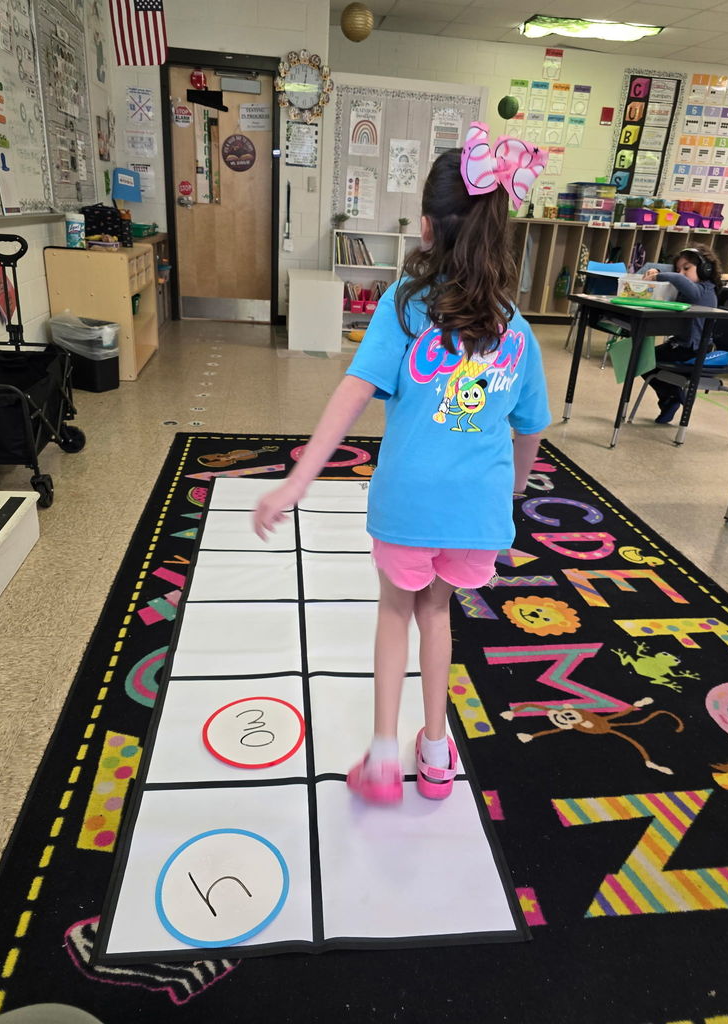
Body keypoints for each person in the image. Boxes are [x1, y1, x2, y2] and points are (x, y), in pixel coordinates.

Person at [254, 124, 551, 805]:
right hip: (475, 517)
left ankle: (386, 755)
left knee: (396, 612)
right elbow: (530, 429)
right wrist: (515, 483)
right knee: (438, 613)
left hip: (408, 508)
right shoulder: (518, 327)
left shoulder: (402, 306)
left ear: (425, 228)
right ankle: (438, 750)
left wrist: (298, 480)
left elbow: (350, 395)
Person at [641, 245, 721, 424]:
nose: (681, 273)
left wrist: (659, 275)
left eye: (687, 268)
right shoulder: (692, 287)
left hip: (695, 350)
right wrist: (659, 269)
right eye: (678, 269)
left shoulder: (703, 290)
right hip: (682, 345)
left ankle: (672, 397)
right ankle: (671, 397)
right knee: (642, 359)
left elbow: (680, 281)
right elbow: (679, 279)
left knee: (643, 359)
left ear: (705, 269)